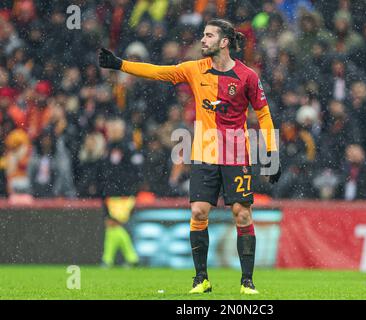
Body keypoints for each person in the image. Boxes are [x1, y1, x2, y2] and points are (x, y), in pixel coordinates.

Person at [99, 18, 281, 294]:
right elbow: (159, 72)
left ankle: (247, 281)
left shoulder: (248, 76)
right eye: (203, 35)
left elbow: (264, 114)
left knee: (242, 214)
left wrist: (272, 150)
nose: (203, 40)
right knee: (198, 211)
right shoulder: (195, 69)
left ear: (224, 42)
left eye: (208, 36)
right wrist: (121, 64)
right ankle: (201, 278)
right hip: (204, 154)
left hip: (236, 155)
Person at [99, 117, 143, 268]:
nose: (111, 131)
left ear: (121, 130)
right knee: (112, 225)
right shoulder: (109, 147)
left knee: (114, 224)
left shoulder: (127, 147)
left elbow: (136, 172)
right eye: (110, 129)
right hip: (110, 193)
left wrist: (130, 189)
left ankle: (114, 258)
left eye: (114, 129)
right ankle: (121, 259)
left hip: (122, 194)